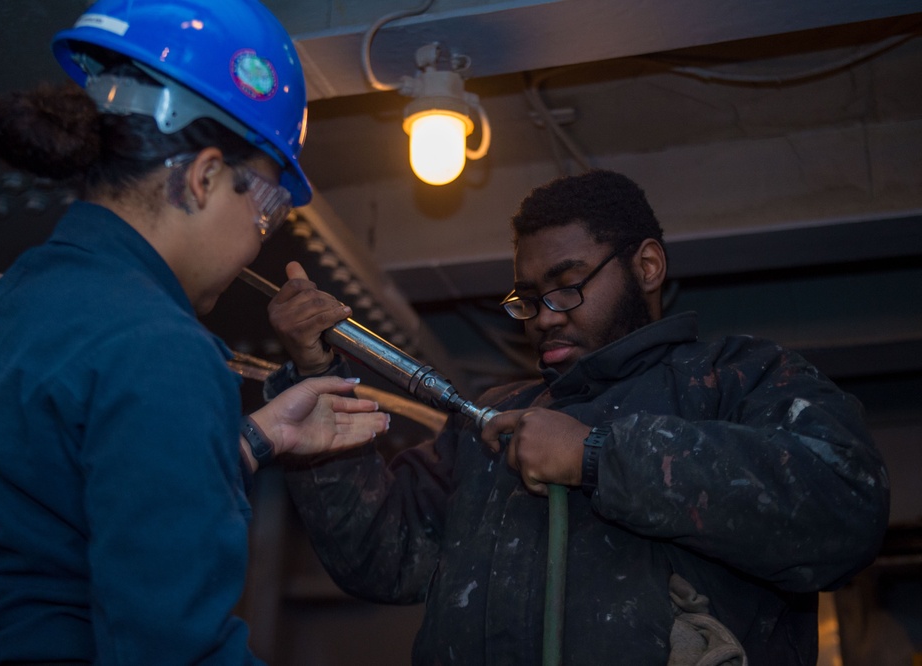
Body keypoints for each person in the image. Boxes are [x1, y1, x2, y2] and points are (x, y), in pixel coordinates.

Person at [263, 169, 891, 664]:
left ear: (647, 266)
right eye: (529, 298)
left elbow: (846, 508)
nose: (545, 316)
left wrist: (598, 455)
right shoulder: (493, 422)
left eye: (567, 286)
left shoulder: (738, 378)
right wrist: (317, 386)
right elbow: (382, 559)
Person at [0, 1, 389, 664]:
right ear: (202, 179)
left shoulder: (21, 296)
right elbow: (177, 649)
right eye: (264, 207)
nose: (259, 241)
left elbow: (63, 505)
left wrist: (255, 439)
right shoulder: (161, 347)